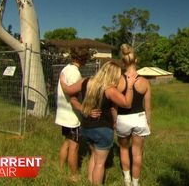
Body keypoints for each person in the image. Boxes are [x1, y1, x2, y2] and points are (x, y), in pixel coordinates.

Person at [60, 61, 137, 185]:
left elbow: (68, 90)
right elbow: (127, 103)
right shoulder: (109, 90)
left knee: (94, 157)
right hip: (103, 130)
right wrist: (130, 86)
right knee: (100, 163)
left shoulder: (85, 81)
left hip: (86, 128)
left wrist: (62, 79)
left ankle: (90, 181)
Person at [115, 44, 152, 186]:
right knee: (137, 153)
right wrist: (149, 122)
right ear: (136, 61)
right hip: (139, 119)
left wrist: (114, 120)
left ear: (123, 62)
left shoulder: (118, 81)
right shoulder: (145, 82)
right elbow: (148, 107)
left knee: (123, 148)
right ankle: (136, 183)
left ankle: (126, 179)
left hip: (122, 119)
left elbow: (114, 105)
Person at [55, 47, 89, 181]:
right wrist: (85, 111)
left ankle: (61, 168)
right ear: (84, 59)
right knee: (74, 147)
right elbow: (73, 98)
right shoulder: (75, 73)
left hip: (64, 114)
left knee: (67, 143)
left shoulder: (66, 69)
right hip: (72, 116)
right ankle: (74, 175)